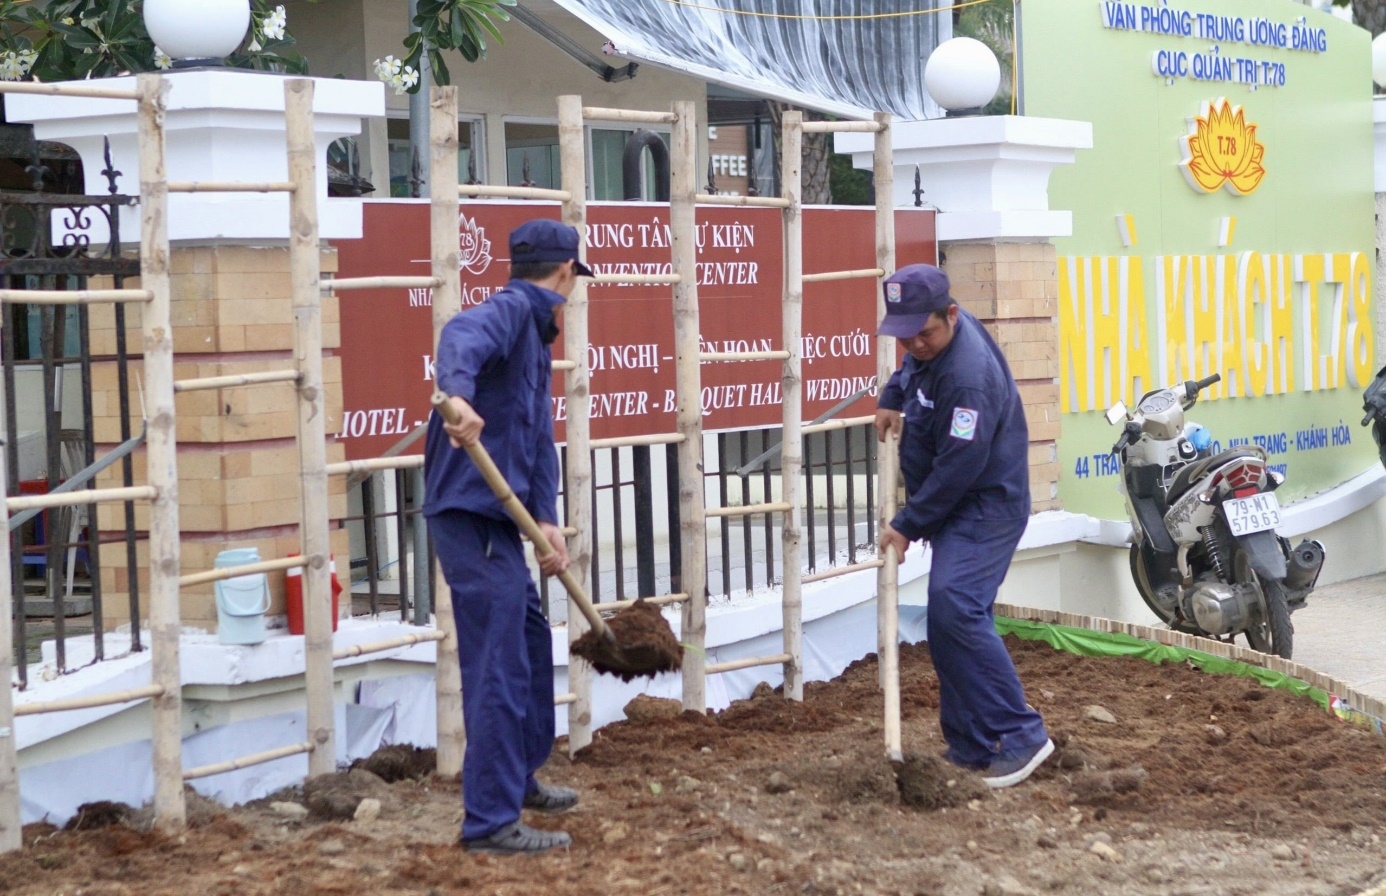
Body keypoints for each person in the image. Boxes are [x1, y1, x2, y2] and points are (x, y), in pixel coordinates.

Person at [424, 218, 592, 854]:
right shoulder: (512, 310)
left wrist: (545, 517)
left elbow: (534, 438)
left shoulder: (533, 335)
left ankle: (517, 779)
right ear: (566, 272)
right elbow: (460, 335)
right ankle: (490, 822)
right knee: (496, 662)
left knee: (523, 642)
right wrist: (459, 397)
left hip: (501, 520)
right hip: (471, 516)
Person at [874, 263, 1054, 789]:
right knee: (947, 618)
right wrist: (893, 393)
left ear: (951, 315)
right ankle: (970, 744)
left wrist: (907, 523)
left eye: (924, 333)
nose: (915, 344)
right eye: (904, 336)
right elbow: (915, 369)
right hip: (958, 506)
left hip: (984, 506)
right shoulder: (935, 340)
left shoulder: (968, 377)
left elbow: (960, 464)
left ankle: (1021, 736)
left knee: (956, 606)